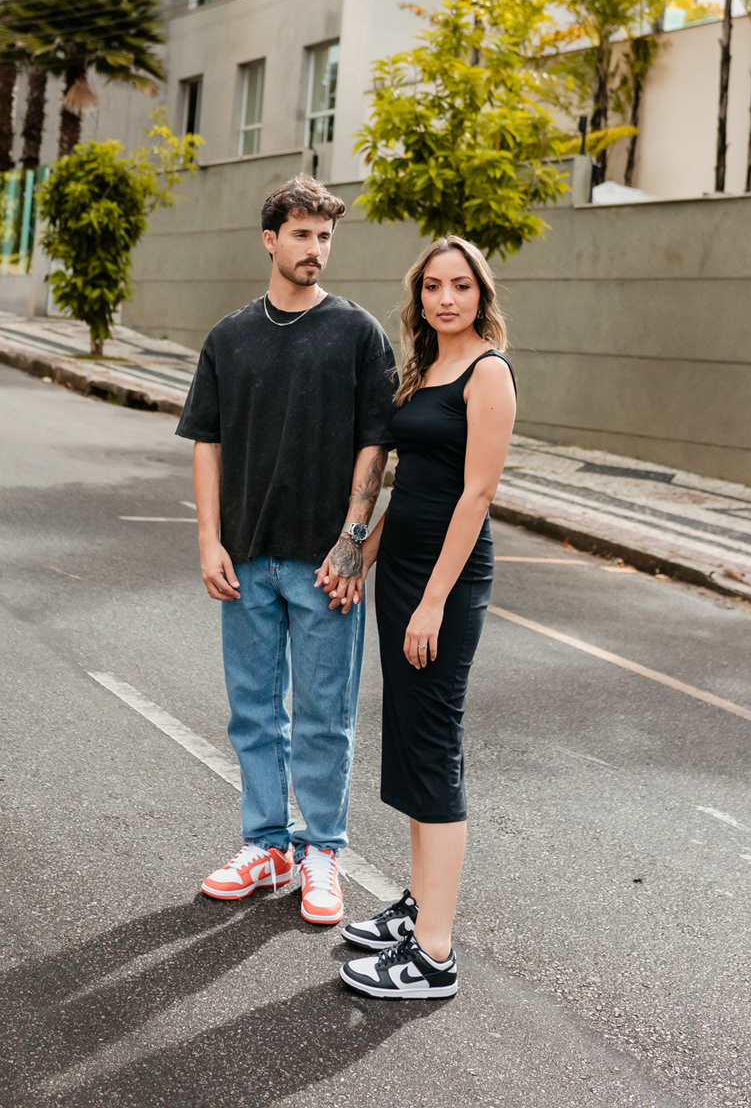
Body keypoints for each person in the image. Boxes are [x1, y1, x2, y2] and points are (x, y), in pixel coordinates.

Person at [176, 174, 396, 927]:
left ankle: (322, 850)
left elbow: (376, 444)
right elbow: (207, 444)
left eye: (325, 236)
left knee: (324, 716)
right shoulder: (229, 338)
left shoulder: (358, 333)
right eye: (302, 234)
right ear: (270, 239)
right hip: (246, 557)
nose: (315, 249)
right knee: (253, 714)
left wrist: (353, 541)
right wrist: (209, 540)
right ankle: (267, 846)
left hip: (323, 562)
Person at [334, 236, 516, 1000]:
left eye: (461, 286)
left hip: (447, 582)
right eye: (434, 286)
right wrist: (360, 554)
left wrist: (435, 600)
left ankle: (433, 955)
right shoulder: (424, 369)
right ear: (420, 297)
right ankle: (418, 907)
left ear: (481, 295)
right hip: (404, 572)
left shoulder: (488, 373)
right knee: (411, 741)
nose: (447, 298)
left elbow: (476, 495)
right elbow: (409, 486)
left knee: (434, 746)